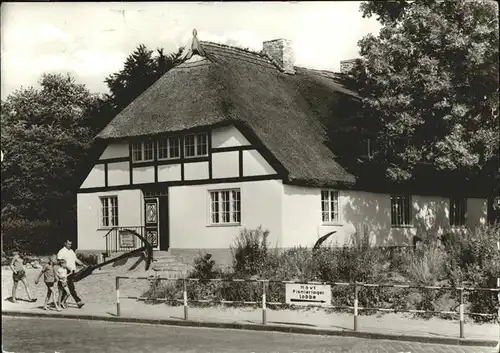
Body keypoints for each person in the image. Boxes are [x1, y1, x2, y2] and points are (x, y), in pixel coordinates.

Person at [57, 240, 85, 308]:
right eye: (68, 244)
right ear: (65, 243)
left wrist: (83, 265)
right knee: (71, 287)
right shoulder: (61, 251)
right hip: (66, 272)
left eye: (70, 244)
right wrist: (66, 267)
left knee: (66, 288)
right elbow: (58, 261)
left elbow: (76, 259)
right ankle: (78, 301)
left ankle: (61, 301)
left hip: (72, 272)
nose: (70, 245)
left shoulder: (71, 251)